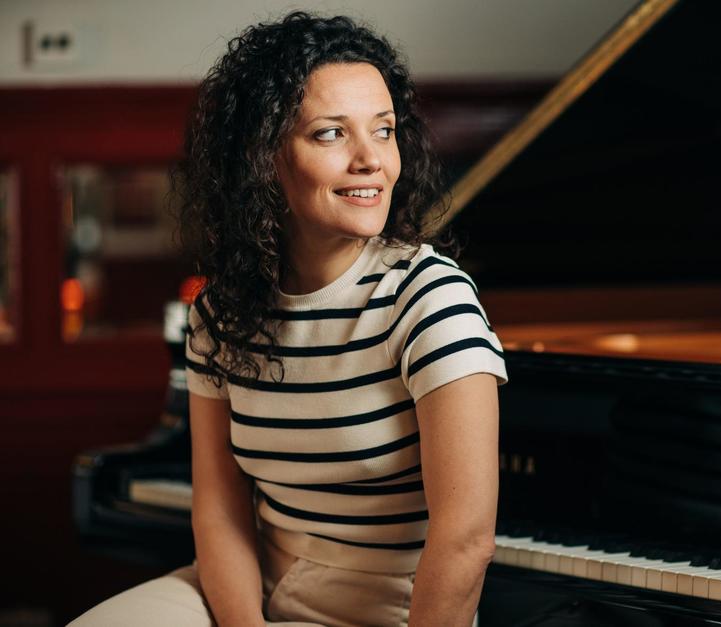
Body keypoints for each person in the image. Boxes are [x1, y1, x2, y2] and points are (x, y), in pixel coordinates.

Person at [69, 12, 506, 627]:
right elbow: (219, 512)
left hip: (390, 607)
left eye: (383, 131)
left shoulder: (431, 299)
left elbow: (466, 540)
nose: (371, 160)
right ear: (265, 156)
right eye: (331, 134)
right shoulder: (219, 311)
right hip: (253, 586)